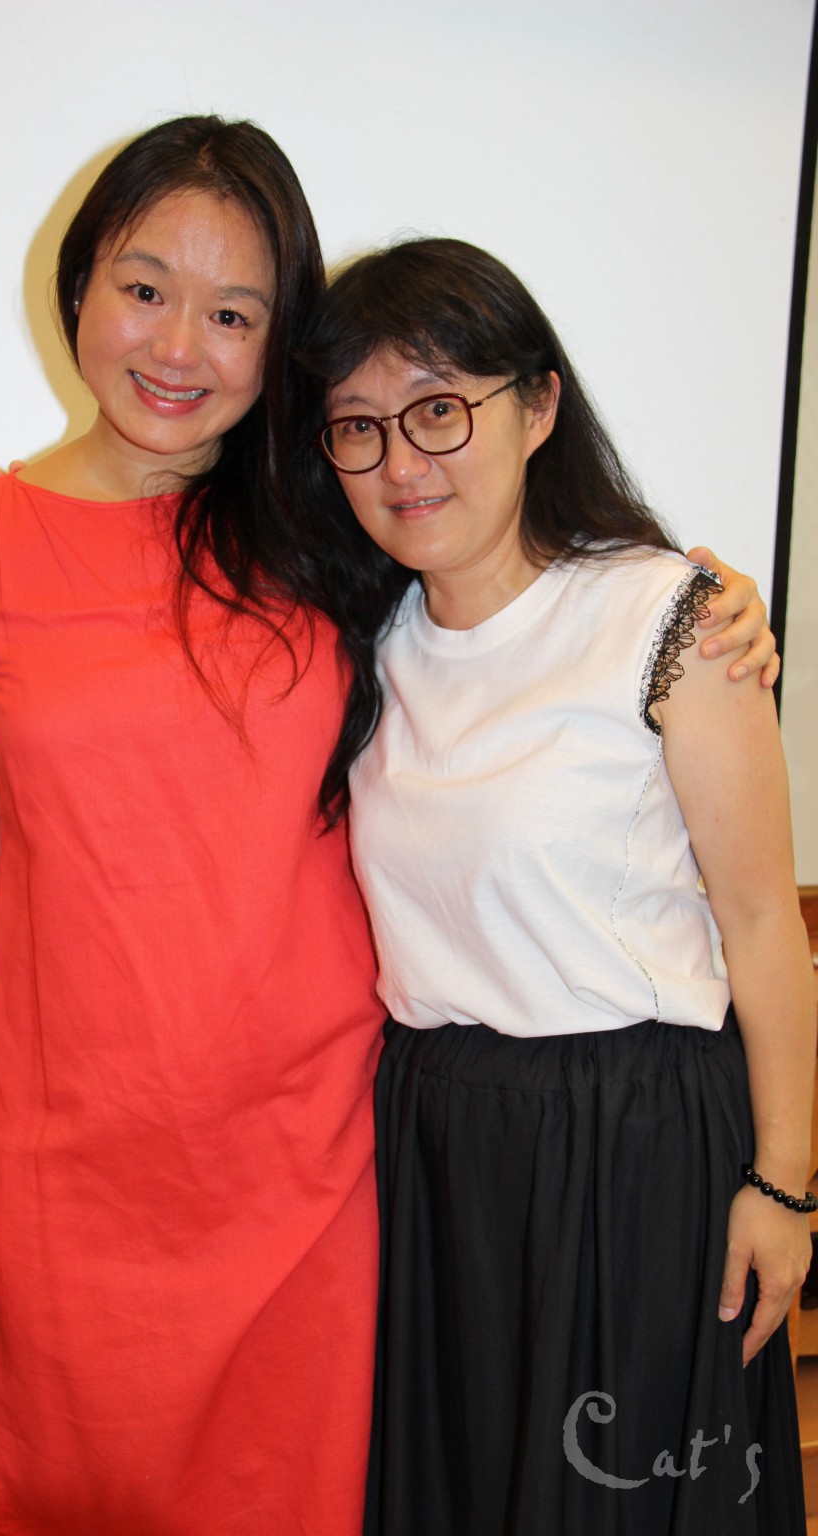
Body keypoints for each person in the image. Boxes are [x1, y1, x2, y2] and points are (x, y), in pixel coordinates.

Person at [0, 115, 777, 1534]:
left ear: (277, 346)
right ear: (79, 284)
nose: (180, 344)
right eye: (145, 287)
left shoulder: (319, 531)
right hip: (72, 1151)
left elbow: (516, 607)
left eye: (235, 313)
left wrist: (706, 602)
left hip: (317, 1157)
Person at [296, 237, 814, 1536]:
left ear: (537, 406)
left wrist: (787, 1183)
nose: (401, 463)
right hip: (435, 1140)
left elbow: (765, 923)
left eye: (439, 409)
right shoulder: (371, 644)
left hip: (631, 1138)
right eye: (357, 426)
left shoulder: (669, 619)